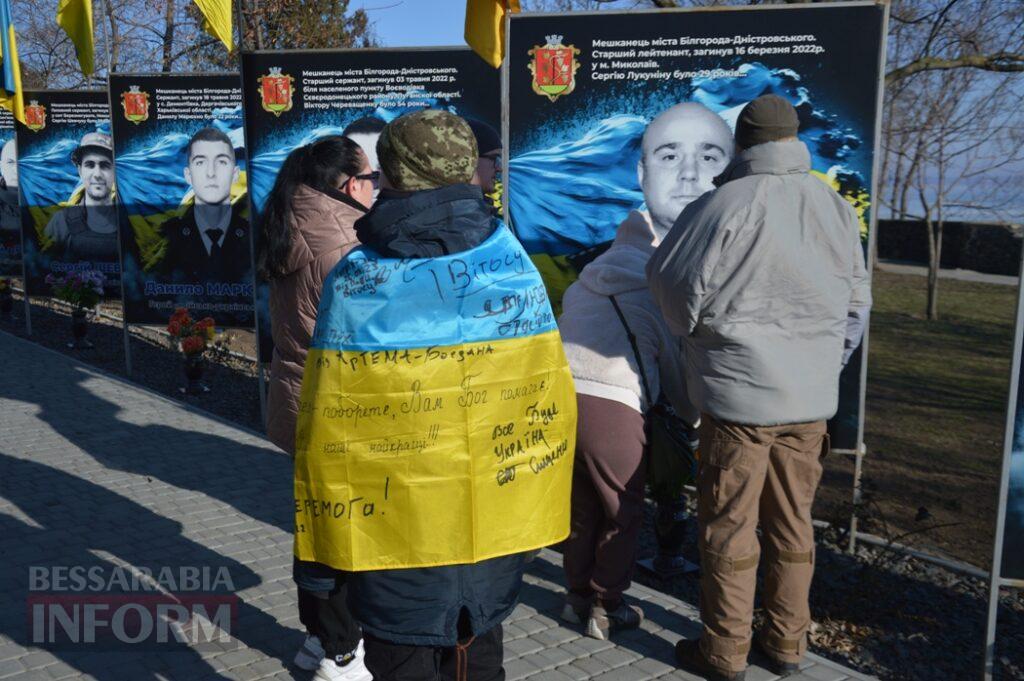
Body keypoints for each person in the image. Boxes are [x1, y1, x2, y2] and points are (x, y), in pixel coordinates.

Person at [297, 109, 572, 681]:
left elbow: (326, 434)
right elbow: (549, 405)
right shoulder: (513, 263)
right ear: (467, 168)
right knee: (480, 662)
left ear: (392, 174)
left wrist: (319, 572)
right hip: (493, 541)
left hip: (392, 553)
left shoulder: (355, 280)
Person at [647, 95, 872, 681]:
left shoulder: (721, 204)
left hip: (738, 399)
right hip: (810, 404)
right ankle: (789, 648)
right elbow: (856, 308)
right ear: (793, 139)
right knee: (795, 525)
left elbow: (672, 290)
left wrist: (698, 338)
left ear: (742, 143)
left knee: (729, 525)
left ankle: (725, 653)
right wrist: (823, 365)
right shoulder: (835, 208)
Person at [557, 102, 732, 641]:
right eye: (670, 155)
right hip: (613, 404)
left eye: (707, 156)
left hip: (561, 400)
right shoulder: (656, 283)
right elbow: (676, 376)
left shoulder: (592, 276)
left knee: (584, 508)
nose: (688, 172)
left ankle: (576, 598)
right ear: (642, 172)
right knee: (622, 512)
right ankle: (609, 608)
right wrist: (695, 419)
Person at [258, 135, 377, 681]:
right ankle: (340, 651)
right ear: (349, 185)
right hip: (334, 406)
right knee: (339, 534)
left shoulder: (294, 219)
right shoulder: (344, 245)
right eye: (371, 178)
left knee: (317, 523)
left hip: (296, 392)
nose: (377, 188)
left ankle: (318, 640)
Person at [161, 127, 249, 282]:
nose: (211, 173)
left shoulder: (252, 236)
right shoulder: (169, 237)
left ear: (235, 174)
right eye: (200, 162)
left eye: (221, 162)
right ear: (188, 175)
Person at [43, 132, 118, 263]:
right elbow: (40, 270)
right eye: (90, 165)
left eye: (105, 165)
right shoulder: (61, 222)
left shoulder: (130, 223)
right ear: (80, 171)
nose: (97, 174)